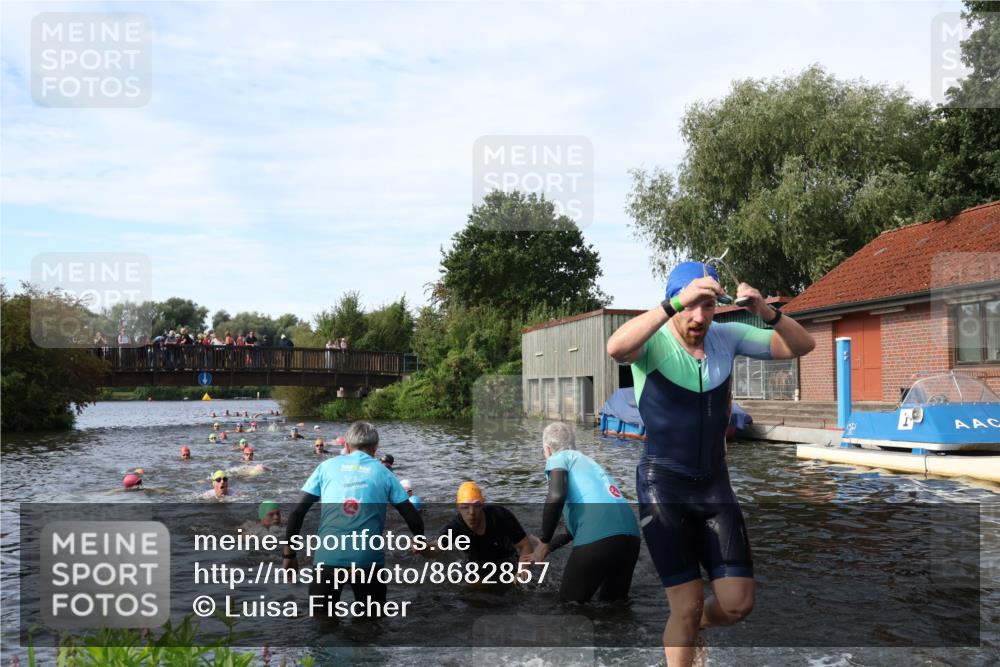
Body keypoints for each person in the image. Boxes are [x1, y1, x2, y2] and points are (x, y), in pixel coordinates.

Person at [606, 260, 815, 666]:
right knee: (684, 606)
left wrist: (765, 312)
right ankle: (686, 629)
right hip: (663, 484)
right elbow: (616, 347)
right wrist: (671, 306)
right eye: (692, 305)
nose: (700, 317)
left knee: (738, 604)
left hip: (714, 485)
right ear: (676, 301)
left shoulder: (727, 336)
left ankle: (698, 626)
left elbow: (801, 347)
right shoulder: (652, 342)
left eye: (709, 306)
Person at [282, 421, 424, 617]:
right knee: (370, 625)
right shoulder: (384, 473)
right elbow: (411, 516)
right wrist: (419, 540)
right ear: (375, 448)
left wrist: (289, 556)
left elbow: (297, 512)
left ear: (346, 446)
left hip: (328, 558)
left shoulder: (326, 467)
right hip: (367, 560)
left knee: (322, 626)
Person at [525, 423, 640, 603]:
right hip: (630, 538)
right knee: (614, 608)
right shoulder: (589, 464)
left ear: (547, 449)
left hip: (599, 537)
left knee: (568, 607)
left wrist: (544, 539)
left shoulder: (558, 458)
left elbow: (556, 496)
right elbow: (572, 531)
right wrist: (549, 547)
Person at [421, 482, 534, 566]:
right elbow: (435, 548)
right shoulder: (456, 526)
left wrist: (522, 571)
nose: (471, 513)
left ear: (483, 505)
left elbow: (525, 546)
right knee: (474, 592)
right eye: (465, 507)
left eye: (477, 506)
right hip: (477, 564)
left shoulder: (499, 515)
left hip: (507, 560)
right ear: (458, 508)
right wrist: (423, 547)